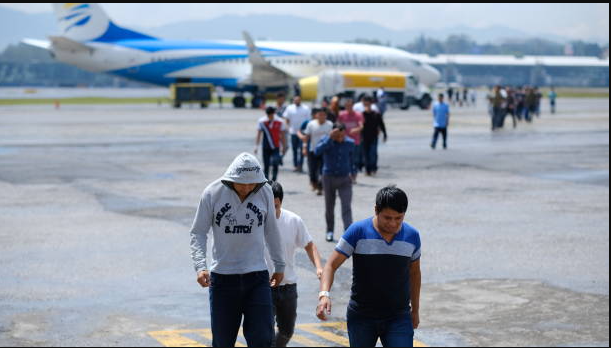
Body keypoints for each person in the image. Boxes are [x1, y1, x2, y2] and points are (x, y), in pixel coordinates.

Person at [190, 153, 286, 347]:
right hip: (223, 279)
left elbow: (271, 231)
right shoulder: (212, 193)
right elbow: (198, 232)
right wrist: (200, 266)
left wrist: (279, 264)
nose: (247, 188)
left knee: (263, 340)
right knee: (223, 342)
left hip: (257, 277)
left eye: (252, 185)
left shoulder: (265, 191)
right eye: (242, 184)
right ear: (230, 179)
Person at [317, 186, 421, 347]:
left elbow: (414, 274)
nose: (393, 223)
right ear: (376, 210)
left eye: (398, 218)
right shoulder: (357, 232)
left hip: (398, 317)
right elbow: (330, 265)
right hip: (361, 317)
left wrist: (415, 310)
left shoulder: (412, 236)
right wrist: (324, 294)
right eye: (387, 218)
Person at [266, 182, 324, 347]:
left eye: (275, 207)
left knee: (287, 331)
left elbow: (309, 245)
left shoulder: (293, 220)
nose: (271, 212)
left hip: (288, 286)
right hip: (263, 287)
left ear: (281, 203)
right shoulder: (256, 223)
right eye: (268, 208)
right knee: (266, 333)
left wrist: (319, 267)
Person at [315, 123, 355, 242]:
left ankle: (348, 233)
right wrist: (329, 138)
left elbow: (353, 158)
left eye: (342, 135)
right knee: (329, 206)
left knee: (346, 206)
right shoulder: (326, 140)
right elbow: (317, 151)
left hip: (345, 178)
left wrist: (353, 172)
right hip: (328, 177)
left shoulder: (350, 143)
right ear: (333, 133)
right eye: (337, 135)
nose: (340, 138)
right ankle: (330, 231)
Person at [302, 108, 333, 196]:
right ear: (316, 115)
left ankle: (320, 187)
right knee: (312, 169)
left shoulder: (329, 124)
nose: (322, 117)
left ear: (326, 116)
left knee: (323, 170)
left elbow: (332, 137)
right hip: (313, 150)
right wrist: (304, 148)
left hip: (325, 151)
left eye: (323, 115)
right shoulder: (311, 124)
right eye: (320, 115)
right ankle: (314, 182)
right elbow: (306, 137)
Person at [255, 106, 287, 182]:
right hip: (265, 146)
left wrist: (284, 146)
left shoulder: (280, 121)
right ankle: (266, 182)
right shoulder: (262, 121)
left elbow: (282, 135)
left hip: (276, 146)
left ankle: (274, 180)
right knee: (266, 165)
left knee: (275, 163)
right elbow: (259, 134)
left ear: (274, 114)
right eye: (268, 115)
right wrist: (256, 146)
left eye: (271, 115)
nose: (270, 117)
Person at [338, 98, 365, 181]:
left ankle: (354, 175)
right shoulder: (341, 114)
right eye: (347, 106)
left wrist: (356, 130)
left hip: (355, 141)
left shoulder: (358, 115)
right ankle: (346, 175)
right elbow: (337, 125)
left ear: (353, 106)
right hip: (344, 140)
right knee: (344, 159)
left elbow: (361, 126)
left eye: (350, 106)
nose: (348, 107)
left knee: (354, 159)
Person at [283, 96, 310, 173]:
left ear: (300, 100)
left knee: (302, 149)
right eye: (295, 100)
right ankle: (295, 165)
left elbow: (308, 120)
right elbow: (286, 118)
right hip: (293, 132)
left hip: (302, 132)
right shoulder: (289, 108)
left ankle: (300, 165)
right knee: (294, 149)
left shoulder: (305, 108)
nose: (296, 101)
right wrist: (287, 128)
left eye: (298, 100)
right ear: (293, 101)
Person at [361, 96, 387, 176]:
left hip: (373, 137)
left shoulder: (376, 114)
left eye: (368, 104)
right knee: (365, 154)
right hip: (364, 137)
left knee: (373, 153)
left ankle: (374, 168)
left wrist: (385, 134)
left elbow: (381, 124)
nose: (367, 106)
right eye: (365, 105)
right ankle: (367, 169)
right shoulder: (362, 115)